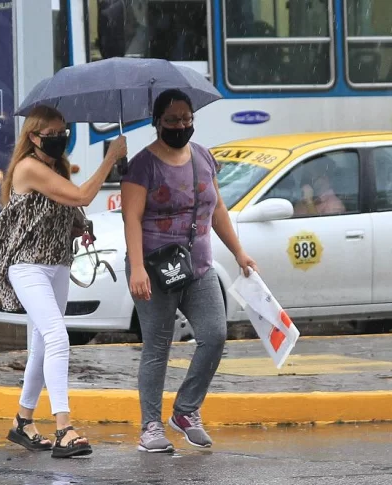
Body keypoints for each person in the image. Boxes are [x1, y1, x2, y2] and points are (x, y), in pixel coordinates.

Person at [0, 105, 127, 458]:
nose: (60, 139)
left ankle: (22, 421)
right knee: (58, 336)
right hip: (27, 267)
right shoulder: (29, 167)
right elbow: (81, 196)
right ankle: (64, 427)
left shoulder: (56, 168)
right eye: (53, 134)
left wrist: (80, 227)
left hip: (58, 266)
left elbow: (67, 208)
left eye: (63, 132)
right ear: (33, 137)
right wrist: (110, 158)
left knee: (42, 346)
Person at [121, 89, 257, 453]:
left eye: (186, 119)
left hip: (198, 266)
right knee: (158, 345)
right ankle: (150, 425)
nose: (181, 126)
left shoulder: (203, 157)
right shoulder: (142, 166)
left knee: (214, 335)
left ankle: (185, 411)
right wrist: (136, 268)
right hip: (154, 268)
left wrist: (240, 252)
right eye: (172, 121)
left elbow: (217, 210)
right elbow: (131, 218)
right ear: (157, 123)